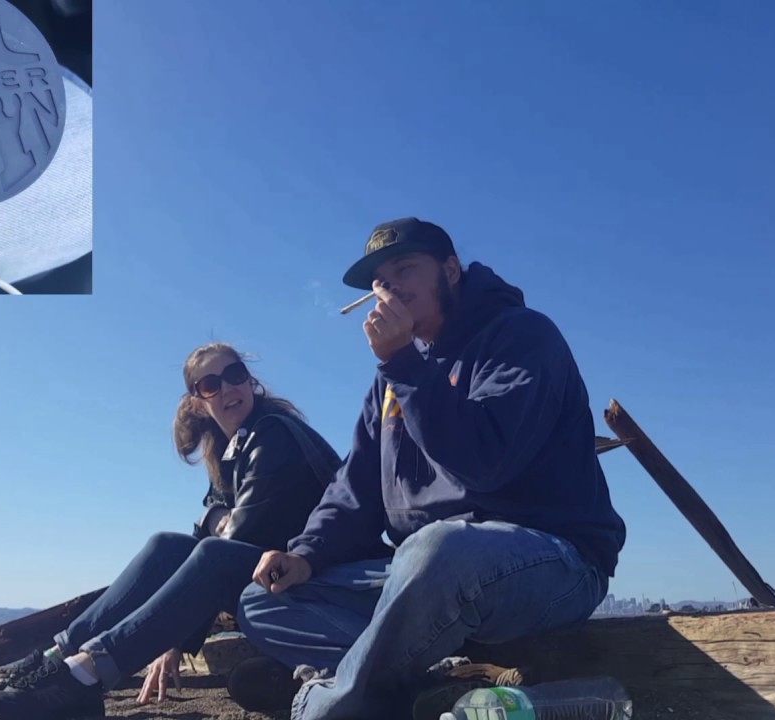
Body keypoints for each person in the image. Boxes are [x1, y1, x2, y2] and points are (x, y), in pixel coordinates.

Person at [234, 218, 627, 720]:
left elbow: (486, 463)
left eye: (404, 268)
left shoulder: (522, 336)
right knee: (261, 600)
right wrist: (307, 555)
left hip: (552, 559)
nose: (390, 286)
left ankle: (323, 704)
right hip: (422, 577)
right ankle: (432, 685)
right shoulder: (394, 376)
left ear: (450, 269)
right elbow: (355, 488)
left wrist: (402, 366)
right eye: (380, 280)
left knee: (438, 547)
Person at [0, 342, 342, 720]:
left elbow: (233, 544)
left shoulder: (272, 435)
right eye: (211, 384)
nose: (228, 389)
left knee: (211, 555)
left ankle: (85, 674)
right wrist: (215, 521)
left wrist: (175, 637)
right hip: (269, 573)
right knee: (165, 545)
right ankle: (58, 657)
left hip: (320, 577)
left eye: (235, 375)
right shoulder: (233, 447)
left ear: (250, 380)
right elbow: (210, 525)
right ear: (198, 401)